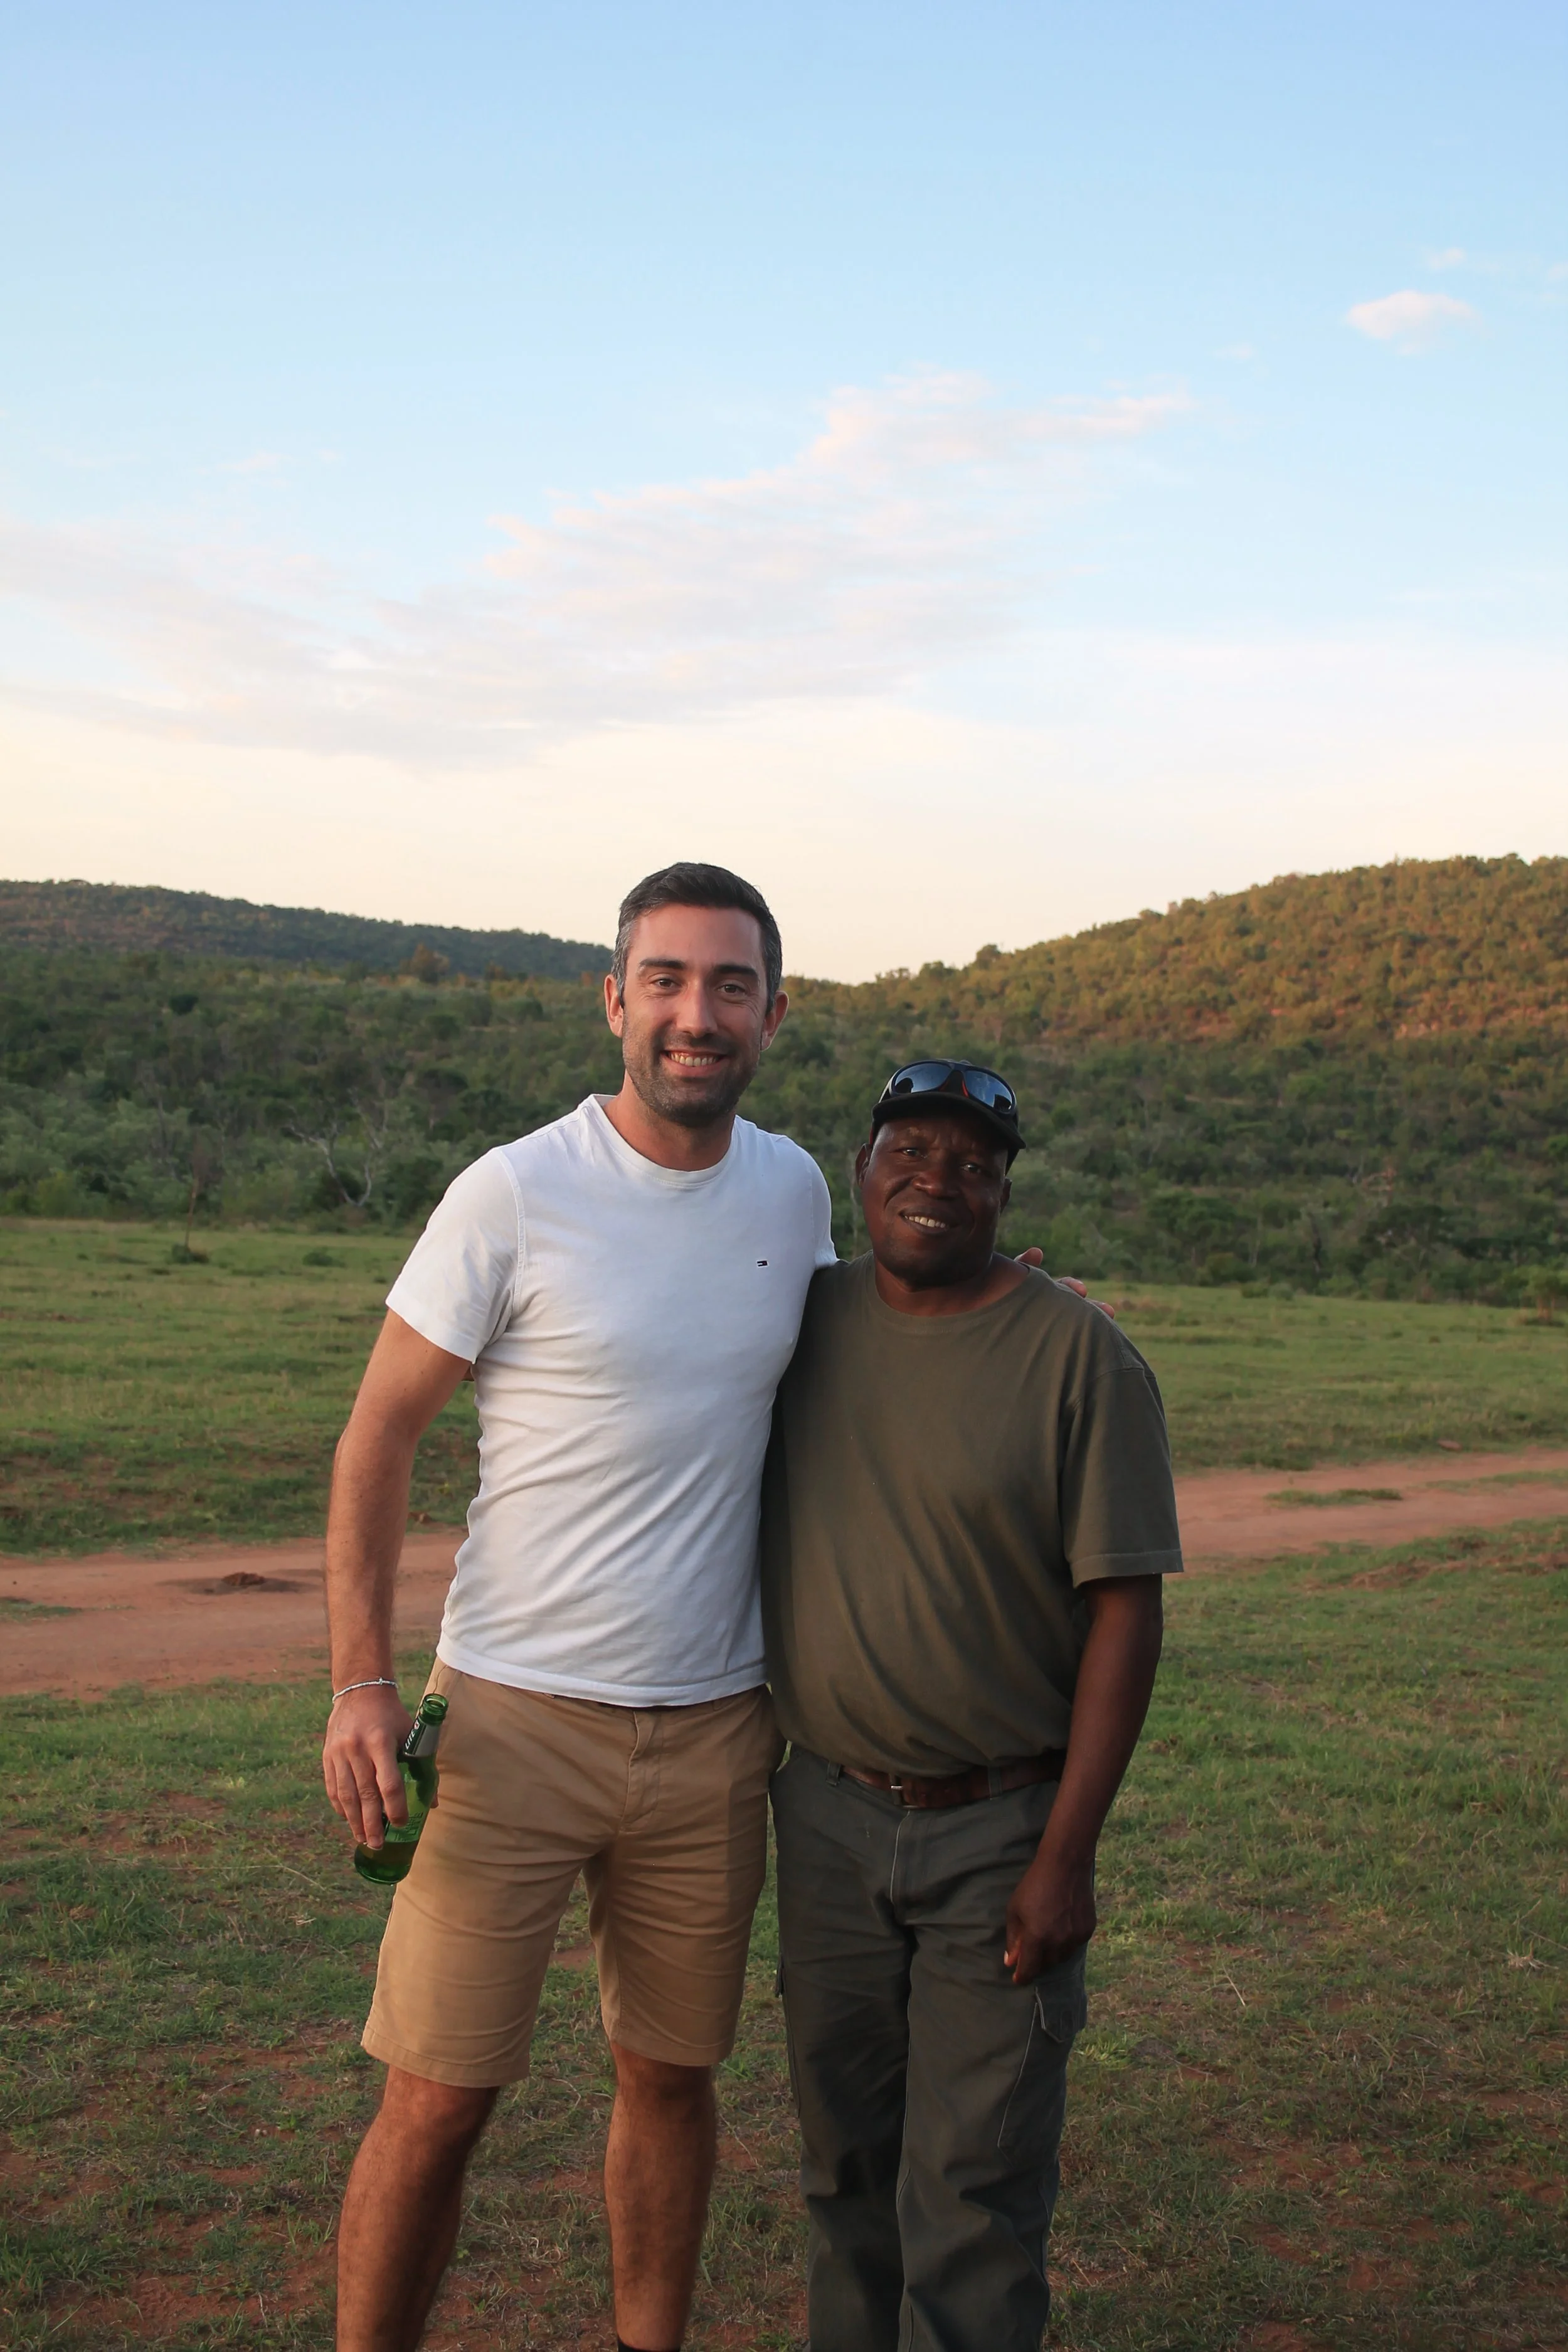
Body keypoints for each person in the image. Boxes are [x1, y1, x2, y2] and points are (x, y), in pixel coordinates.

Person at [321, 862, 837, 2352]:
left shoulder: (794, 1188)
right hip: (508, 1726)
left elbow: (859, 1351)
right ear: (615, 1002)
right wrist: (361, 1686)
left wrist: (1026, 1310)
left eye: (728, 986)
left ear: (770, 1014)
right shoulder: (515, 1191)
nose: (696, 1014)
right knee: (438, 2094)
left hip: (713, 1734)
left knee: (671, 2079)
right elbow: (377, 1438)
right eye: (665, 982)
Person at [761, 1059, 1182, 2352]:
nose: (932, 1181)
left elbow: (1124, 1610)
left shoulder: (1079, 1357)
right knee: (845, 2171)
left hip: (998, 1828)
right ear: (858, 1170)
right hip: (824, 1814)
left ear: (1002, 1190)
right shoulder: (798, 1322)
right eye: (908, 1151)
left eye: (968, 1163)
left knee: (972, 2192)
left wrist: (1067, 1856)